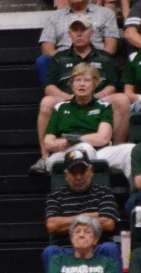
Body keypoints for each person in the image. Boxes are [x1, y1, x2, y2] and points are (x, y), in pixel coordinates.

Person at [33, 16, 127, 174]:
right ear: (69, 34)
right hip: (67, 97)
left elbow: (112, 85)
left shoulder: (104, 57)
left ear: (91, 33)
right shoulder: (59, 58)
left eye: (83, 30)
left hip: (98, 97)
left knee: (122, 99)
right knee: (47, 102)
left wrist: (96, 96)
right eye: (75, 30)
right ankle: (44, 157)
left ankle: (116, 149)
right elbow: (49, 87)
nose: (79, 34)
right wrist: (70, 98)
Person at [41, 63, 134, 178]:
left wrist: (76, 140)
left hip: (98, 153)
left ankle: (135, 188)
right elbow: (48, 142)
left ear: (95, 84)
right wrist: (64, 144)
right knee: (85, 149)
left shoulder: (104, 106)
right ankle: (89, 188)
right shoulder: (60, 108)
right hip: (64, 153)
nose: (82, 84)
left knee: (130, 149)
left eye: (87, 80)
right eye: (77, 80)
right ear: (72, 85)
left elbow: (103, 138)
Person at [36, 0, 120, 86]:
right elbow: (47, 49)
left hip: (95, 60)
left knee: (107, 61)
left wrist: (91, 59)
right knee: (43, 61)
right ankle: (52, 92)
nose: (79, 33)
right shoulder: (54, 16)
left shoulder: (106, 13)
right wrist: (66, 60)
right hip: (63, 60)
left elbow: (111, 48)